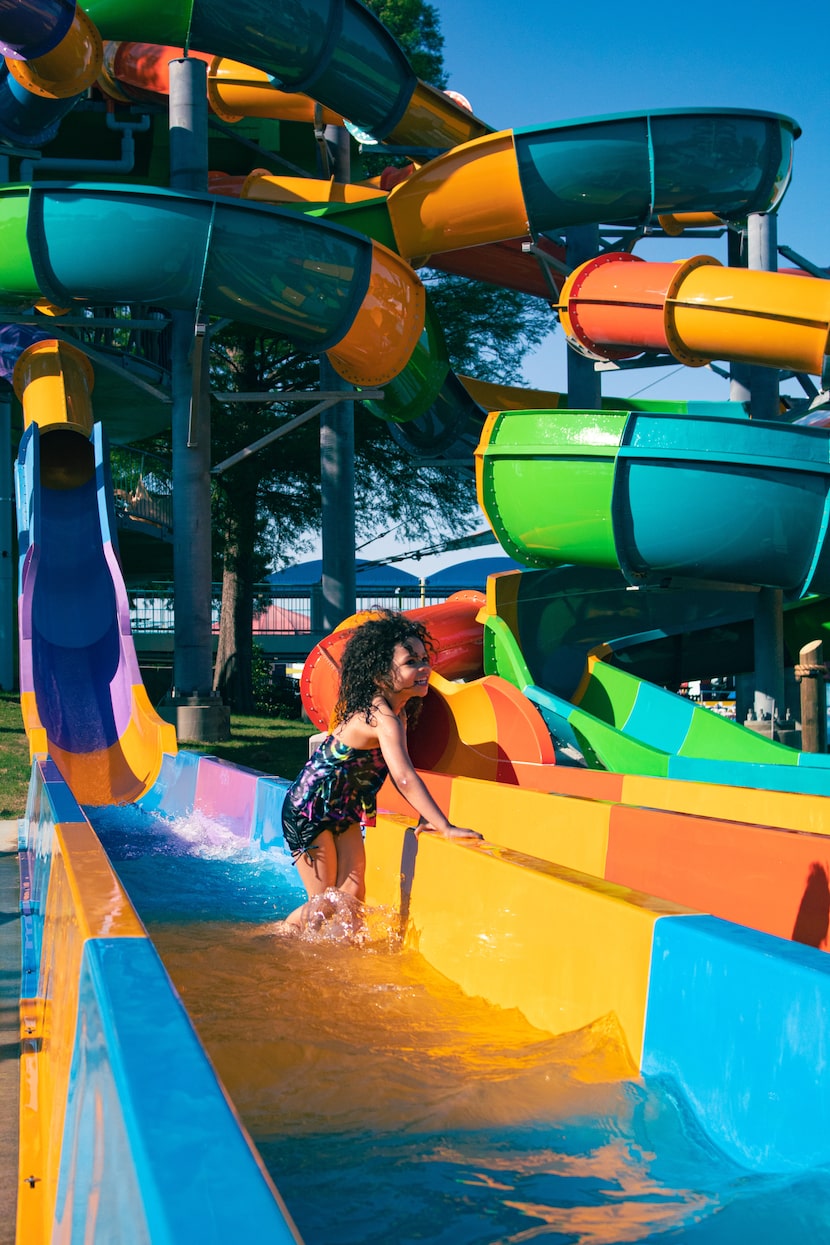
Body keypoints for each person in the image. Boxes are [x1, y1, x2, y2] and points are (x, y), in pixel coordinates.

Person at [279, 609, 481, 932]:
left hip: (341, 808)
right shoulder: (379, 715)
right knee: (324, 903)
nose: (423, 667)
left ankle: (340, 950)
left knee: (354, 894)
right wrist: (443, 825)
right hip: (309, 807)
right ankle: (283, 933)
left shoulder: (397, 714)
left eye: (424, 658)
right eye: (410, 662)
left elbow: (402, 770)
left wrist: (426, 814)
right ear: (379, 675)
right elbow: (403, 776)